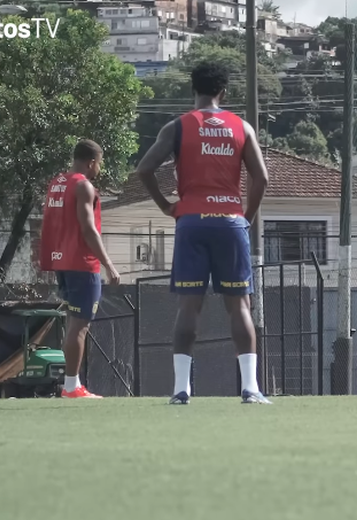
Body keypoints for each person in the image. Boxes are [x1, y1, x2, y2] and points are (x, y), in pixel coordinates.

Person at [135, 63, 271, 405]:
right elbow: (262, 179)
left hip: (192, 221)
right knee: (239, 305)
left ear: (193, 90)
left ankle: (182, 389)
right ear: (223, 93)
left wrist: (167, 206)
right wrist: (245, 218)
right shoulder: (241, 127)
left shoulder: (177, 126)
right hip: (230, 221)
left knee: (189, 306)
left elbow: (144, 168)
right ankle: (250, 389)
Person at [39, 139, 121, 399]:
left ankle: (71, 385)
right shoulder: (83, 186)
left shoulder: (57, 183)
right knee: (79, 325)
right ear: (91, 162)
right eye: (100, 162)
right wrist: (109, 264)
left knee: (73, 323)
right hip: (82, 264)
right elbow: (88, 229)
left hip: (62, 262)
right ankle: (72, 387)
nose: (100, 168)